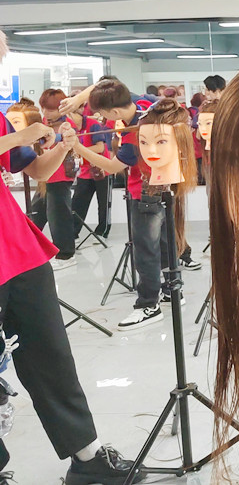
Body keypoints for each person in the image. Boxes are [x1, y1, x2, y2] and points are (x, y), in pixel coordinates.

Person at [0, 30, 142, 484]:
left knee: (51, 356)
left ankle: (87, 456)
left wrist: (61, 145)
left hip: (17, 251)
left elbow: (33, 167)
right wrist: (21, 134)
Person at [71, 80, 191, 331]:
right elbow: (111, 84)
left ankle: (148, 304)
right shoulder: (145, 104)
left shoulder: (134, 135)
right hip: (166, 188)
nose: (102, 119)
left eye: (103, 114)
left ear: (114, 111)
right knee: (165, 244)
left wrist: (78, 147)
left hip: (145, 193)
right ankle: (172, 291)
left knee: (145, 252)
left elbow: (112, 166)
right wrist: (79, 98)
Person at [30, 89, 78, 268]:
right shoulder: (42, 123)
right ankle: (30, 248)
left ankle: (66, 254)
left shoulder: (68, 125)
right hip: (44, 175)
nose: (46, 113)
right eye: (44, 108)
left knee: (59, 215)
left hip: (60, 175)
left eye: (50, 109)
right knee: (35, 213)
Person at [68, 98, 113, 243]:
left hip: (102, 169)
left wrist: (78, 150)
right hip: (85, 170)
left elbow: (100, 147)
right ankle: (72, 233)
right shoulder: (70, 128)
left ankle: (102, 232)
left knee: (103, 204)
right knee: (78, 203)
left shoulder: (93, 124)